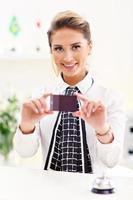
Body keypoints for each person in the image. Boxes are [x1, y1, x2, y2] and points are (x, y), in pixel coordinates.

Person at [13, 10, 126, 174]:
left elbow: (111, 161)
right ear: (51, 51)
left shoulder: (110, 98)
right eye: (58, 48)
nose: (67, 57)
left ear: (89, 47)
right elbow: (25, 152)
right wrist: (27, 126)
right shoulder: (41, 95)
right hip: (50, 191)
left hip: (92, 193)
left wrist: (102, 129)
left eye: (76, 47)